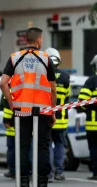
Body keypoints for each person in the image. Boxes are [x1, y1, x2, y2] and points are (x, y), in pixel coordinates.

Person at [0, 27, 57, 187]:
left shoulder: (14, 58)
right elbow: (53, 88)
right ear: (38, 40)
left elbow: (3, 83)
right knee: (43, 147)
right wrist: (52, 111)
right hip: (43, 111)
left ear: (25, 40)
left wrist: (12, 104)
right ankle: (42, 183)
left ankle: (24, 182)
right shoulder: (46, 59)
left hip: (21, 111)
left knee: (23, 146)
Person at [45, 47, 71, 181]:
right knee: (60, 144)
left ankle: (48, 174)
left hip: (47, 118)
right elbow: (67, 97)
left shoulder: (43, 76)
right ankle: (59, 172)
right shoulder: (66, 77)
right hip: (61, 119)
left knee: (47, 145)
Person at [77, 54, 97, 180]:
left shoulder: (91, 81)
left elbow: (82, 103)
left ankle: (96, 173)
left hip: (93, 124)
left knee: (95, 148)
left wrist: (85, 109)